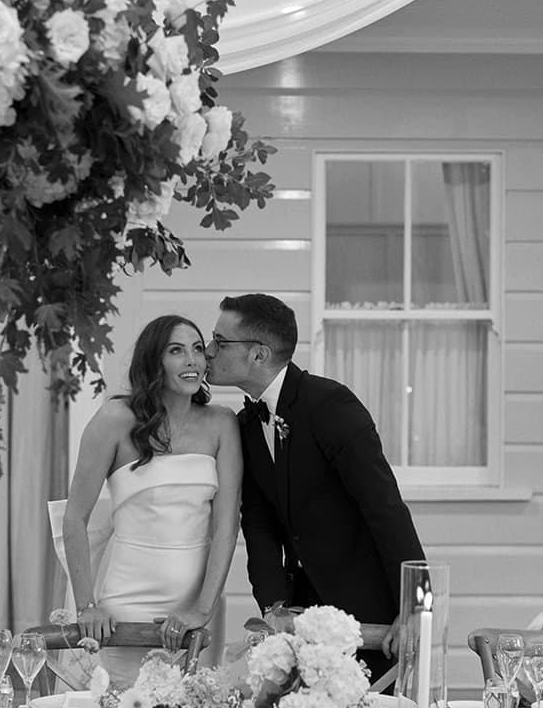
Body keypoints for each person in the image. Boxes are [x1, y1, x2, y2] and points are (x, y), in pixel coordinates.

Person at [203, 293, 422, 677]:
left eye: (220, 342)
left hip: (372, 617)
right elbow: (258, 522)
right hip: (300, 616)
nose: (207, 352)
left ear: (258, 354)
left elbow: (385, 507)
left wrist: (417, 606)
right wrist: (273, 606)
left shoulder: (331, 405)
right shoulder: (247, 424)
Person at [59, 314, 242, 684]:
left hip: (194, 607)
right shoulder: (114, 419)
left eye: (196, 349)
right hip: (126, 602)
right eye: (176, 351)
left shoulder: (222, 423)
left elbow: (226, 526)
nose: (192, 360)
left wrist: (202, 608)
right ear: (153, 361)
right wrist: (87, 607)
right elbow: (74, 518)